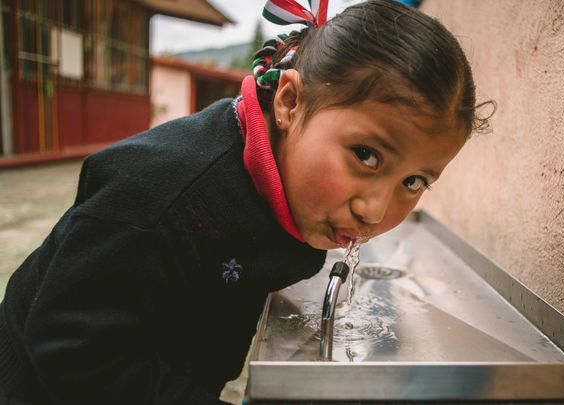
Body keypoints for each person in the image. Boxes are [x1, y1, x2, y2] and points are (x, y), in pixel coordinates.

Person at [0, 0, 493, 403]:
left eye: (414, 181)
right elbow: (71, 350)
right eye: (366, 155)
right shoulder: (161, 199)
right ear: (289, 102)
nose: (374, 210)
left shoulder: (287, 185)